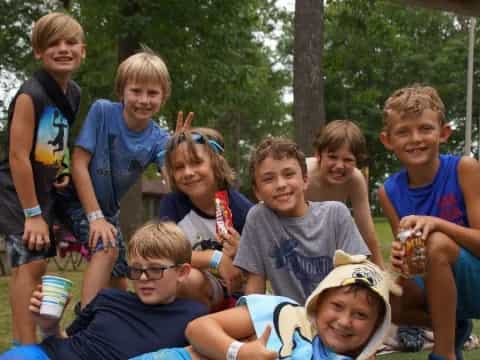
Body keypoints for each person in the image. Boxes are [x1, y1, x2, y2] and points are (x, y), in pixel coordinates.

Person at [56, 50, 192, 309]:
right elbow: (79, 162)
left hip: (109, 211)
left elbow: (171, 182)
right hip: (75, 199)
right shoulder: (103, 112)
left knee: (120, 273)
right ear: (122, 91)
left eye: (152, 93)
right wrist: (95, 218)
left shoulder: (159, 139)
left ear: (163, 97)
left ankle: (117, 319)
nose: (143, 100)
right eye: (136, 91)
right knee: (105, 248)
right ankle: (86, 322)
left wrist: (178, 152)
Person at [137, 250, 401, 360]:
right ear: (318, 303)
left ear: (377, 327)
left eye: (361, 315)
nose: (344, 321)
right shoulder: (285, 314)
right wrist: (240, 353)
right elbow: (198, 328)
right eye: (337, 306)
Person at [0, 221, 208, 360]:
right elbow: (66, 340)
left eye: (155, 269)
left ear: (182, 272)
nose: (143, 278)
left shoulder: (193, 317)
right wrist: (49, 325)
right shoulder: (108, 298)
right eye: (136, 269)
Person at [0, 12, 85, 345]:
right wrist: (32, 214)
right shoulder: (29, 94)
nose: (62, 49)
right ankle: (25, 347)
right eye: (53, 43)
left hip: (46, 190)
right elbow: (19, 156)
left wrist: (60, 170)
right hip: (18, 193)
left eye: (70, 42)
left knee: (40, 266)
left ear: (83, 50)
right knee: (26, 266)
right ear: (38, 51)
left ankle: (42, 338)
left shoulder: (73, 92)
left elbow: (55, 138)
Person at [378, 84, 480, 360]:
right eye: (403, 131)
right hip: (437, 284)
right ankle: (454, 326)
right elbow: (412, 265)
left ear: (443, 132)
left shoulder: (465, 169)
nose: (415, 139)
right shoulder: (388, 191)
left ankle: (444, 353)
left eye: (425, 128)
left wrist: (437, 223)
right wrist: (402, 261)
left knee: (434, 242)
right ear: (388, 140)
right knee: (383, 295)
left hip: (476, 277)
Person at [234, 137, 370, 304]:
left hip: (337, 315)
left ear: (305, 180)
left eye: (289, 174)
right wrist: (254, 322)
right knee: (201, 327)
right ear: (257, 192)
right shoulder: (259, 218)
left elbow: (359, 275)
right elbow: (255, 285)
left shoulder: (336, 214)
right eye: (269, 179)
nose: (281, 184)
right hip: (289, 318)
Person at [158, 128, 253, 310]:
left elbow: (261, 262)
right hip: (194, 286)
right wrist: (214, 257)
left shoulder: (240, 208)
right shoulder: (173, 204)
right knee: (183, 277)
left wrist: (242, 252)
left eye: (196, 163)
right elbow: (164, 253)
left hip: (237, 294)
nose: (188, 172)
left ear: (216, 164)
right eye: (179, 167)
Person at [306, 120, 384, 268]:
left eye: (348, 160)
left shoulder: (355, 179)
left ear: (357, 161)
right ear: (318, 154)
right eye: (333, 157)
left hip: (330, 241)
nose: (339, 166)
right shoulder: (304, 174)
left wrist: (380, 270)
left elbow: (366, 230)